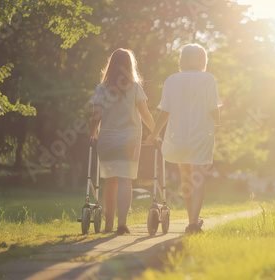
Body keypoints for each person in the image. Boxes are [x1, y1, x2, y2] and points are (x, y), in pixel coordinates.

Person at [146, 43, 223, 234]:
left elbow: (165, 111)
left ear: (182, 60)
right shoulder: (208, 78)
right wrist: (218, 127)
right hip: (201, 134)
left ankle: (192, 221)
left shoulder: (172, 80)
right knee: (198, 177)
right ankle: (193, 222)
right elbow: (214, 108)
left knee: (186, 178)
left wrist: (154, 134)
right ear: (203, 60)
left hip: (177, 135)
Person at [89, 48, 155, 234]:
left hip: (108, 138)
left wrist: (93, 132)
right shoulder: (135, 88)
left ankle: (108, 225)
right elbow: (145, 114)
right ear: (130, 66)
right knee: (126, 181)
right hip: (130, 139)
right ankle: (122, 224)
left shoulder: (101, 89)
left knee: (110, 182)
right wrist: (155, 132)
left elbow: (96, 114)